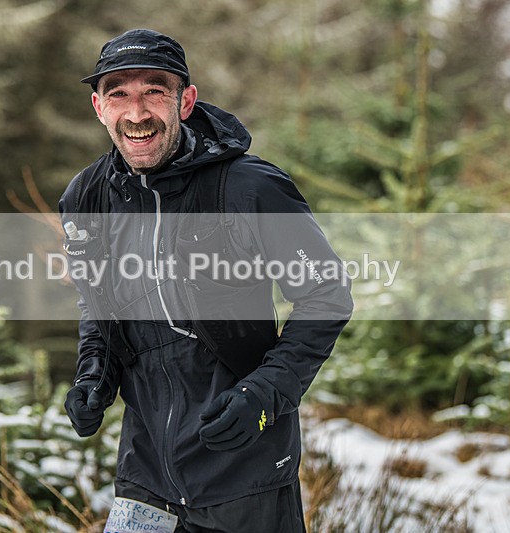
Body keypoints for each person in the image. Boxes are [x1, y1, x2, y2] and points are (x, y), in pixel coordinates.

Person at [60, 29, 353, 533]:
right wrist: (94, 374)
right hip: (145, 472)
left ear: (186, 101)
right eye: (119, 94)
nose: (137, 112)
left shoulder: (247, 187)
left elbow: (326, 295)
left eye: (155, 91)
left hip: (243, 466)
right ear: (98, 107)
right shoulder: (86, 198)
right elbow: (97, 303)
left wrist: (265, 394)